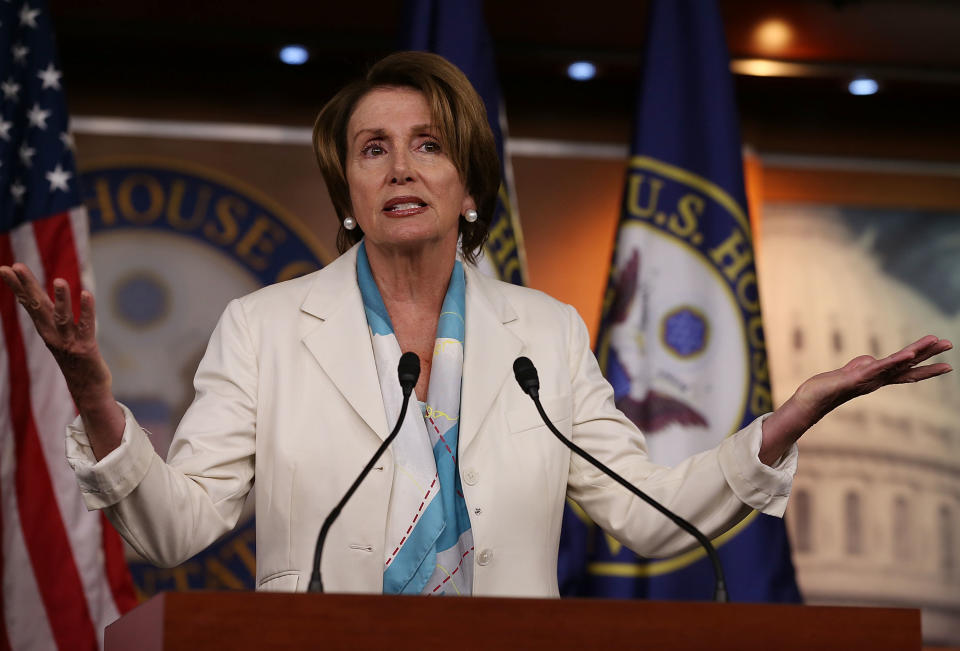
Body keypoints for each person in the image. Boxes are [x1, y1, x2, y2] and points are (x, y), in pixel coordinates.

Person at [0, 52, 952, 598]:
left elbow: (643, 513)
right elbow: (174, 530)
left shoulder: (545, 332)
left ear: (467, 189)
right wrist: (95, 395)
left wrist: (787, 420)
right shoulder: (265, 328)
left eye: (427, 146)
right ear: (349, 190)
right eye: (374, 149)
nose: (400, 167)